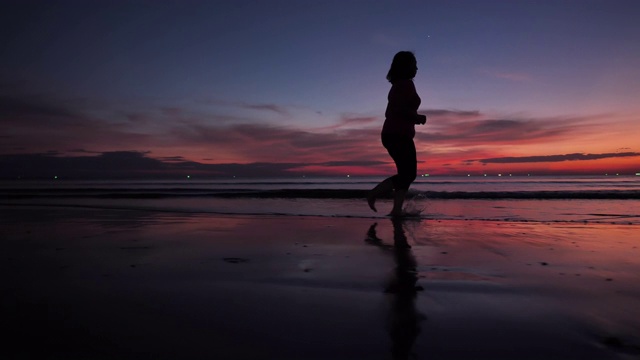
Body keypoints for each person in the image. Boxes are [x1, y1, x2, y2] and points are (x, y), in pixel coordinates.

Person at [367, 51, 427, 217]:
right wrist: (417, 117)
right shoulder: (405, 84)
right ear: (406, 66)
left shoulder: (398, 86)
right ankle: (373, 193)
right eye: (414, 65)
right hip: (397, 134)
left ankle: (396, 210)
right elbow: (398, 110)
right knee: (409, 174)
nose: (417, 68)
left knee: (405, 173)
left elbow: (392, 111)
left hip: (395, 133)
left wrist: (413, 118)